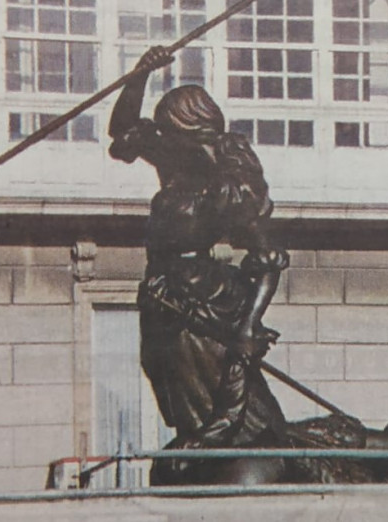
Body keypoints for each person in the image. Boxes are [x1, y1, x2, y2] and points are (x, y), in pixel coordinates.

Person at [108, 46, 291, 485]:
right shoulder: (174, 165)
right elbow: (123, 132)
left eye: (169, 133)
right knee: (165, 375)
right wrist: (139, 76)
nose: (160, 141)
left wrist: (249, 325)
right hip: (162, 295)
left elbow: (268, 258)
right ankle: (198, 440)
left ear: (187, 132)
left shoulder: (228, 185)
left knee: (212, 391)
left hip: (202, 302)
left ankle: (229, 445)